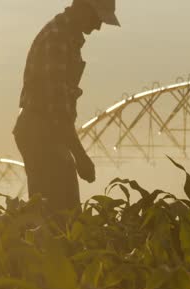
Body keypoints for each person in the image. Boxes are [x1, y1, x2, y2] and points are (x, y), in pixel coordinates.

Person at [14, 0, 119, 216]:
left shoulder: (66, 37)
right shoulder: (58, 39)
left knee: (52, 209)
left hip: (46, 132)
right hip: (40, 131)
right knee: (61, 212)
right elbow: (58, 110)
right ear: (82, 7)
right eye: (97, 18)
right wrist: (81, 157)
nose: (98, 26)